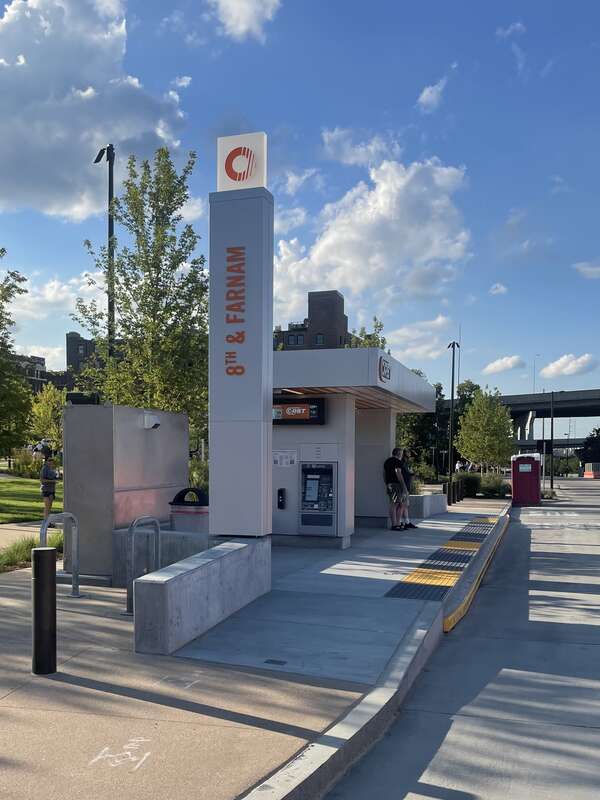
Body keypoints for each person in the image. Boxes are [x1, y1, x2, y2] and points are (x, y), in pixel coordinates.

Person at [383, 447, 408, 531]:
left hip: (390, 484)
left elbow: (384, 474)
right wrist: (403, 485)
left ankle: (398, 523)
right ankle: (395, 525)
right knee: (395, 504)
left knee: (400, 504)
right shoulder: (397, 462)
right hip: (396, 485)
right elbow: (398, 473)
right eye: (401, 453)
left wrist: (387, 483)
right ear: (398, 453)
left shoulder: (387, 461)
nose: (402, 455)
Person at [399, 449, 418, 529]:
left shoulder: (406, 463)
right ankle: (399, 522)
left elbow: (408, 473)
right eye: (408, 454)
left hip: (407, 485)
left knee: (406, 504)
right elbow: (402, 474)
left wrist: (412, 474)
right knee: (403, 504)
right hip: (404, 486)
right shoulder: (402, 463)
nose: (410, 456)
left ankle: (407, 521)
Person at [40, 457, 59, 525]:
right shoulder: (44, 469)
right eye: (49, 462)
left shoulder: (53, 469)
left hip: (52, 490)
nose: (51, 463)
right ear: (47, 462)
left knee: (49, 507)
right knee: (47, 506)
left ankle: (48, 522)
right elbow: (42, 480)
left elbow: (55, 477)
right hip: (45, 489)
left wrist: (56, 479)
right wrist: (52, 481)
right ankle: (45, 522)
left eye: (52, 462)